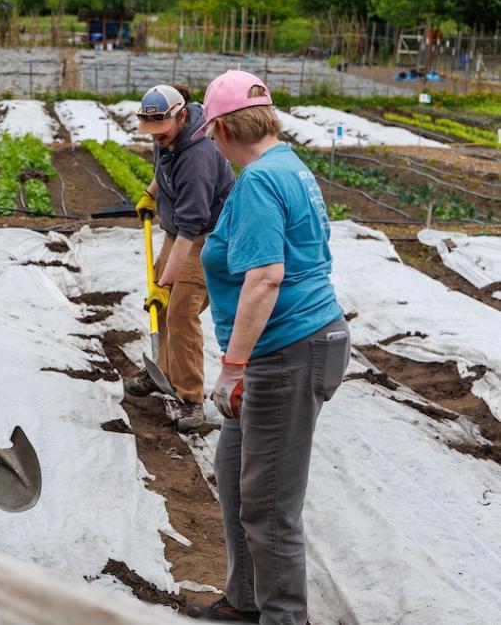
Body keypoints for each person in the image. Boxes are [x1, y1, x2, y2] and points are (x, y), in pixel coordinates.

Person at [189, 70, 350, 624]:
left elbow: (266, 277)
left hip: (288, 352)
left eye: (212, 132)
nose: (211, 142)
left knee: (270, 503)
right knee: (235, 476)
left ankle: (284, 617)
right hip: (285, 348)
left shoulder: (259, 180)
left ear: (228, 128)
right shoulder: (287, 165)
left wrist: (231, 368)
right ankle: (246, 601)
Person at [126, 84, 235, 432]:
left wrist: (164, 282)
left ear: (182, 115)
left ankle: (190, 398)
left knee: (181, 312)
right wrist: (149, 194)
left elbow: (192, 230)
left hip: (204, 238)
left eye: (161, 129)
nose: (155, 136)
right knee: (160, 306)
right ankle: (163, 370)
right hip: (179, 233)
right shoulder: (168, 138)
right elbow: (162, 168)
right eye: (151, 129)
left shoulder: (199, 158)